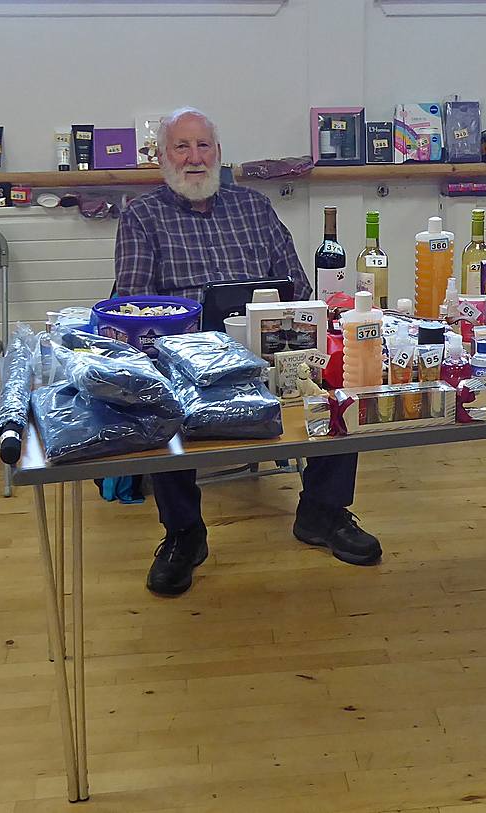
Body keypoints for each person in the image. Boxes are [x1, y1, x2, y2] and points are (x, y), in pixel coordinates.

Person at [114, 107, 381, 596]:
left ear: (218, 154)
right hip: (185, 357)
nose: (195, 158)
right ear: (162, 157)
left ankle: (323, 512)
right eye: (182, 146)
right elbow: (134, 308)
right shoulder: (142, 216)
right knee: (155, 397)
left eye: (204, 147)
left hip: (275, 348)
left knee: (344, 381)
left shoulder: (254, 208)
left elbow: (300, 289)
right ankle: (183, 535)